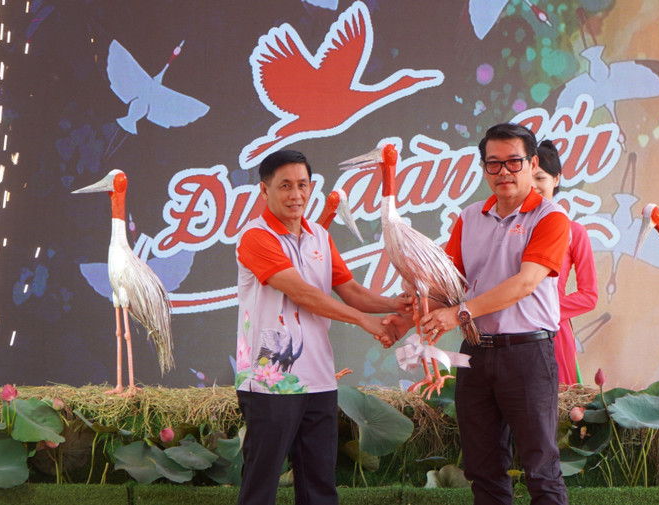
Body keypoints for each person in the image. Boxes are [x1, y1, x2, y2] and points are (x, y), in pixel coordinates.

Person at [234, 149, 410, 505]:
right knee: (260, 485)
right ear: (264, 191)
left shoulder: (318, 235)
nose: (295, 195)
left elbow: (352, 291)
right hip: (272, 380)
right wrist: (364, 321)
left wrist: (395, 304)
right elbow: (302, 293)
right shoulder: (255, 237)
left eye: (302, 185)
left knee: (319, 486)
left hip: (319, 378)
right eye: (285, 186)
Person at [419, 123, 571, 504]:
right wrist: (405, 315)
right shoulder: (469, 217)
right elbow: (446, 286)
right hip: (475, 355)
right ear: (484, 167)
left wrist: (459, 315)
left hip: (527, 354)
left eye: (514, 162)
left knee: (540, 469)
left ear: (532, 163)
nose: (503, 172)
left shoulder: (550, 218)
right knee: (483, 470)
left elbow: (525, 283)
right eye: (494, 164)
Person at [534, 140, 598, 385]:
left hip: (554, 334)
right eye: (528, 178)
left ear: (556, 179)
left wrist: (543, 310)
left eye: (540, 178)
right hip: (511, 336)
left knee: (560, 417)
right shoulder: (510, 229)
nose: (533, 186)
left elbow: (589, 296)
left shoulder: (574, 232)